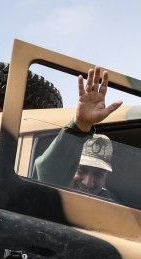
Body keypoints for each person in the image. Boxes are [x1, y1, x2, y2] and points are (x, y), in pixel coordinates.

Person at [34, 66, 122, 199]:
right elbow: (47, 172)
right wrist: (80, 126)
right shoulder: (51, 196)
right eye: (81, 170)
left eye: (99, 174)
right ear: (68, 168)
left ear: (106, 179)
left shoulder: (110, 203)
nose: (88, 182)